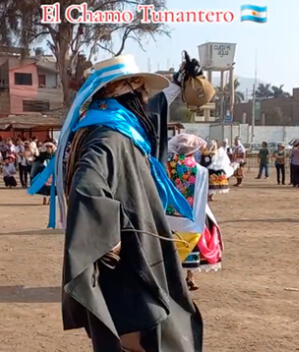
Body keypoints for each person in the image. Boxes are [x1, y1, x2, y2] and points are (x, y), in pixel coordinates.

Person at [27, 55, 203, 351]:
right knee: (140, 337)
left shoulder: (108, 126)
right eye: (141, 88)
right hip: (129, 264)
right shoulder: (108, 136)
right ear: (125, 87)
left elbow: (156, 109)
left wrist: (179, 80)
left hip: (130, 258)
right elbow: (88, 186)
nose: (146, 96)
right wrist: (106, 239)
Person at [166, 134, 224, 291]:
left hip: (168, 214)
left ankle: (170, 276)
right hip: (192, 214)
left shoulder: (167, 166)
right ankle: (190, 277)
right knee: (192, 244)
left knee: (169, 244)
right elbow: (203, 195)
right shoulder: (201, 170)